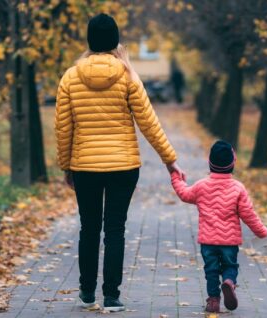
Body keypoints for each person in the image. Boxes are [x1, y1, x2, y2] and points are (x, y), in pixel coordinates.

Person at [54, 13, 185, 312]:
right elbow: (149, 122)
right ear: (115, 40)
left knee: (88, 228)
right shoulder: (128, 76)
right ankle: (111, 296)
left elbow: (64, 128)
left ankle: (87, 294)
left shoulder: (70, 77)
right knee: (115, 230)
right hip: (124, 167)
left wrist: (67, 166)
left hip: (84, 166)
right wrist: (170, 160)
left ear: (89, 40)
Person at [170, 140, 267, 313]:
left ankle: (213, 301)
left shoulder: (201, 186)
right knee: (230, 266)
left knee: (211, 271)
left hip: (208, 241)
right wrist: (262, 232)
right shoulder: (238, 188)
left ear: (210, 163)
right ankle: (229, 282)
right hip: (229, 242)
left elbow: (184, 194)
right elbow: (249, 215)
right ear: (233, 163)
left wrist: (175, 176)